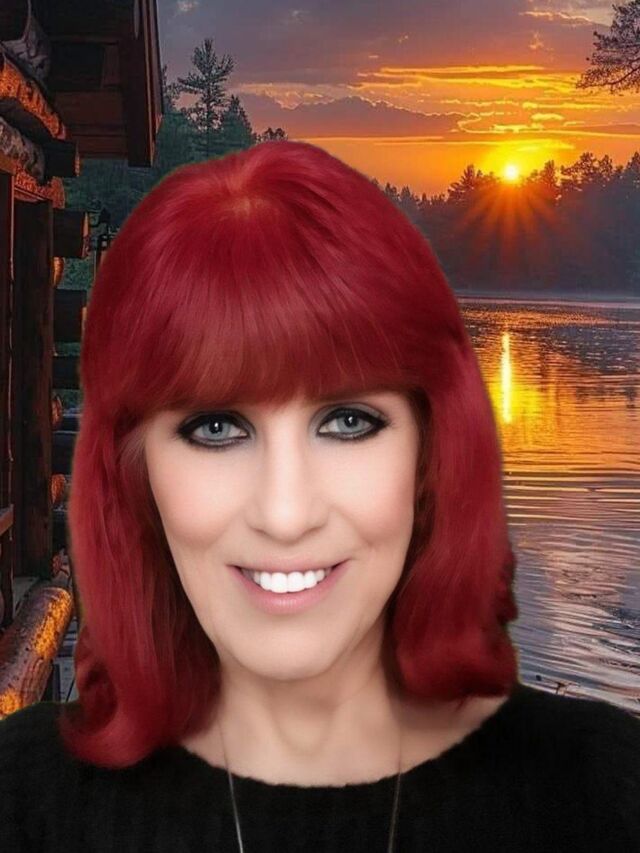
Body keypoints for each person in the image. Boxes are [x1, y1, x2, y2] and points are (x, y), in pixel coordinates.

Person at [0, 140, 638, 852]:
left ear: (432, 453)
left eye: (347, 422)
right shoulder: (25, 801)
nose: (286, 514)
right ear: (133, 472)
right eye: (216, 427)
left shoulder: (603, 795)